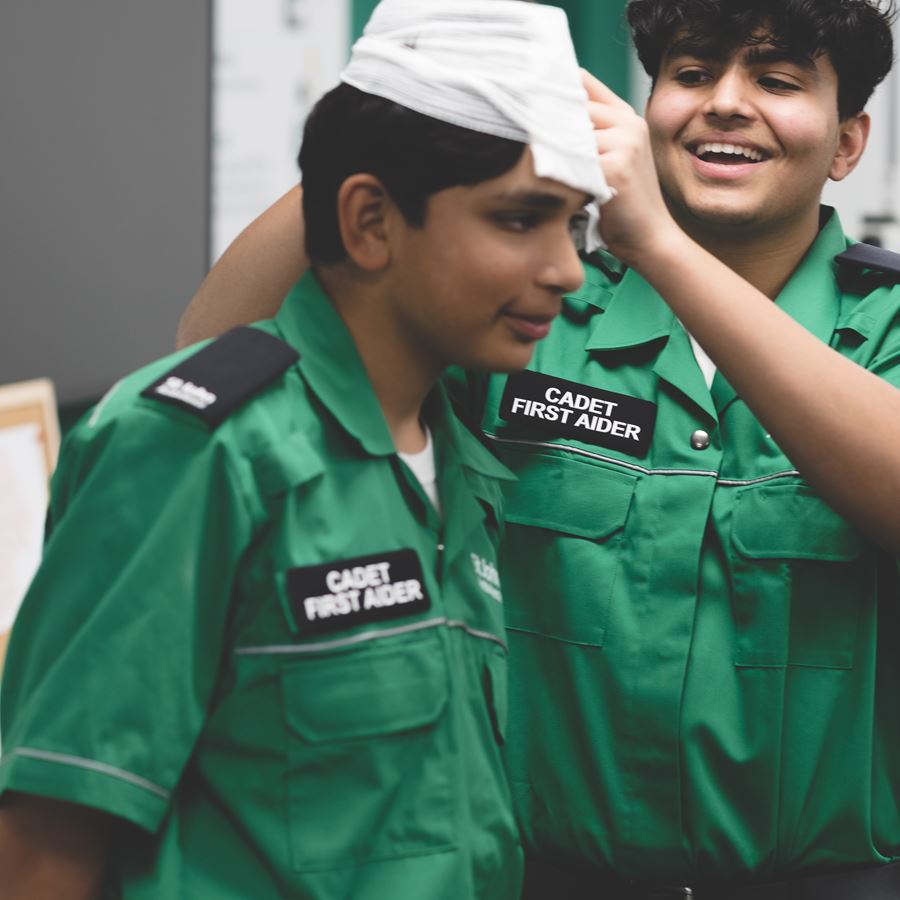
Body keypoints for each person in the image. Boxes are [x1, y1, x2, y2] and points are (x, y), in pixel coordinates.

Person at [174, 0, 900, 897]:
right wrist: (419, 103)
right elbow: (216, 350)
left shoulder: (887, 330)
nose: (725, 101)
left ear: (847, 144)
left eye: (778, 80)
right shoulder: (534, 310)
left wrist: (660, 245)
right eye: (691, 72)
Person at [0, 2, 608, 897]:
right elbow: (48, 842)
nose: (567, 268)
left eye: (576, 225)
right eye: (520, 220)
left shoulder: (464, 464)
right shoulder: (195, 451)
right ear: (368, 221)